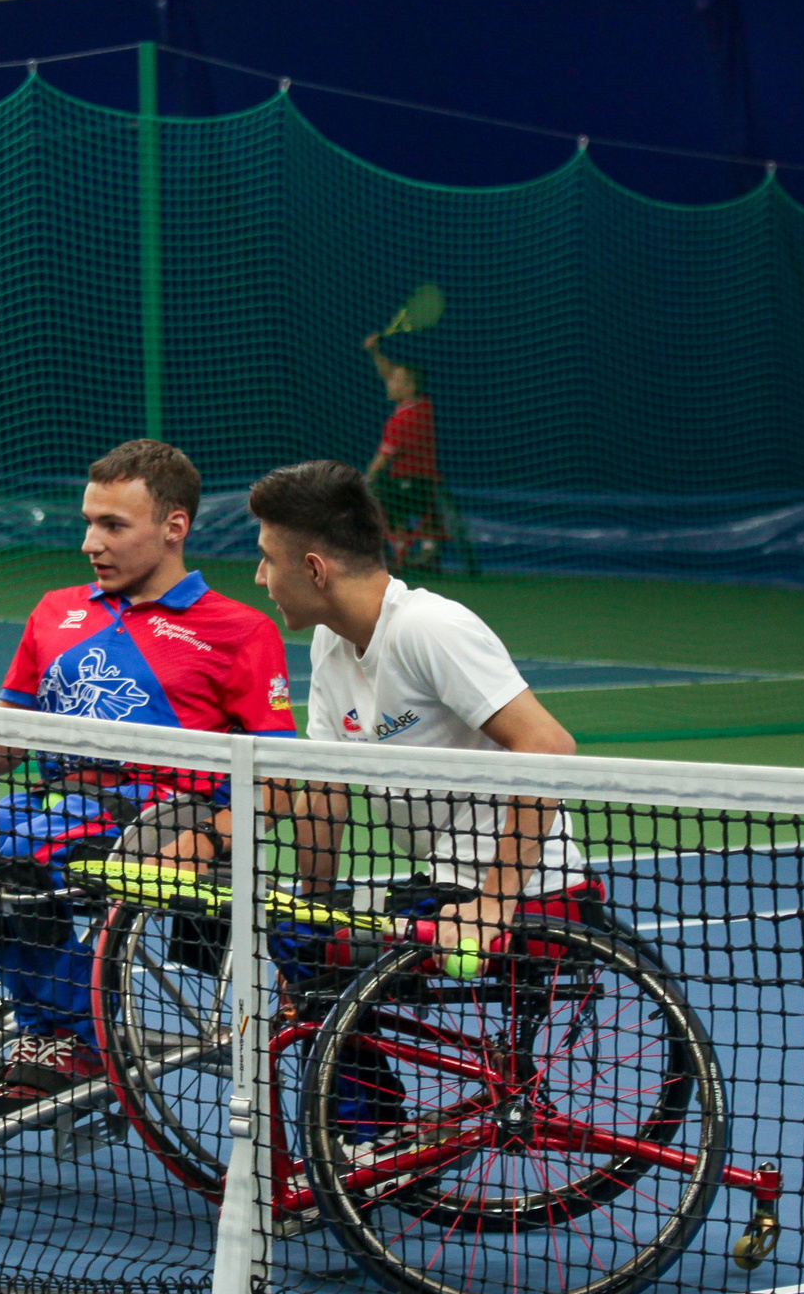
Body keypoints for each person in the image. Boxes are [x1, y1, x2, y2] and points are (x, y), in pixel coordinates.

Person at [0, 440, 294, 1106]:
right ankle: (56, 1032)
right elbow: (3, 750)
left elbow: (276, 783)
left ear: (174, 527)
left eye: (112, 525)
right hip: (62, 803)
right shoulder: (55, 611)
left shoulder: (239, 630)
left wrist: (210, 838)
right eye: (88, 521)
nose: (88, 542)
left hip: (166, 817)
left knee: (15, 850)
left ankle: (75, 1035)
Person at [247, 460, 590, 1133]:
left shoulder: (430, 627)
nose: (260, 578)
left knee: (312, 944)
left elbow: (549, 747)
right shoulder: (332, 642)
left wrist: (494, 902)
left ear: (315, 568)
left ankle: (366, 1135)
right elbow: (324, 789)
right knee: (299, 932)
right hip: (445, 886)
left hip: (532, 896)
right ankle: (370, 1126)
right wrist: (308, 908)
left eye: (266, 559)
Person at [361, 333, 445, 570]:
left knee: (365, 496)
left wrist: (363, 480)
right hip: (427, 488)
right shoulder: (424, 406)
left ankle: (388, 551)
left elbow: (381, 462)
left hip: (407, 491)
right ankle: (427, 547)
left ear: (408, 387)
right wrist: (375, 352)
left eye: (394, 381)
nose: (388, 382)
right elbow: (392, 372)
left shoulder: (402, 421)